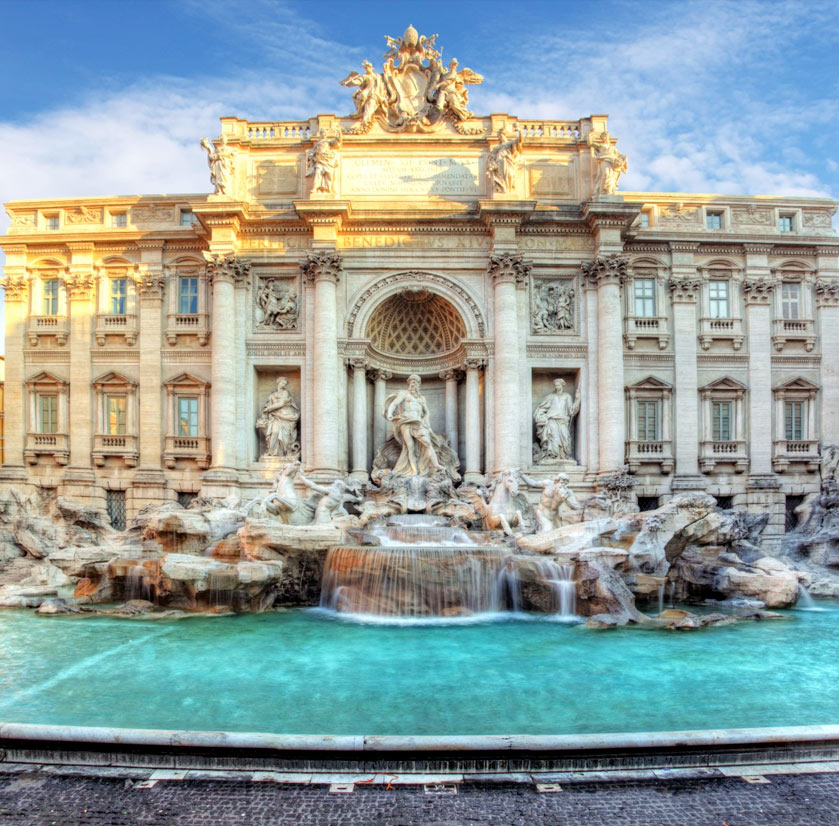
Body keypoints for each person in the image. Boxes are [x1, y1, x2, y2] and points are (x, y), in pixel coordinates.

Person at [385, 374, 444, 476]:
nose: (413, 384)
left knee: (428, 443)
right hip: (405, 422)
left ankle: (436, 465)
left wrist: (427, 422)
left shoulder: (422, 398)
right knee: (410, 447)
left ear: (419, 384)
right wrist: (390, 413)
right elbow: (394, 404)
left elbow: (427, 412)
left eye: (415, 382)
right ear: (408, 383)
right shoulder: (404, 393)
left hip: (418, 422)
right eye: (411, 382)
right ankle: (414, 470)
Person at [533, 378, 581, 462]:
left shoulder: (567, 396)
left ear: (562, 385)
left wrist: (577, 400)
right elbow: (541, 408)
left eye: (558, 385)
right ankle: (553, 456)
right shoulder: (551, 397)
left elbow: (572, 411)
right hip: (552, 420)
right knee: (553, 438)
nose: (557, 387)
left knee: (565, 437)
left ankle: (564, 456)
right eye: (555, 385)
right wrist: (541, 416)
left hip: (563, 420)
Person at [258, 378, 299, 457]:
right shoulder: (272, 395)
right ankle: (271, 452)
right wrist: (266, 409)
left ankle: (284, 453)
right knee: (275, 432)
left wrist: (268, 409)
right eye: (282, 383)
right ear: (278, 383)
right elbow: (268, 404)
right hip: (275, 416)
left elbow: (281, 404)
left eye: (285, 384)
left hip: (286, 416)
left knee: (285, 436)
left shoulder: (285, 393)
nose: (283, 385)